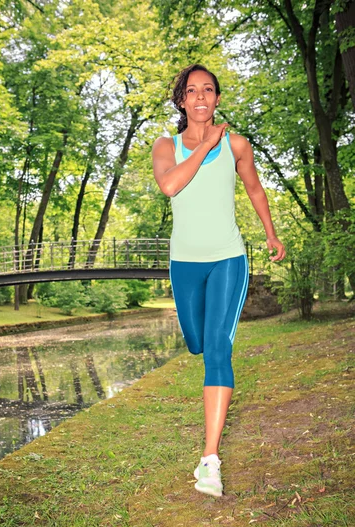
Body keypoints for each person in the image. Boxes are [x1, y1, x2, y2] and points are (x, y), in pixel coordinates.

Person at [151, 64, 286, 498]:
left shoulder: (237, 144)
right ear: (182, 101)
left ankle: (210, 461)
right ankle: (203, 345)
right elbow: (170, 186)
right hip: (184, 263)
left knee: (218, 350)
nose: (201, 96)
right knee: (197, 342)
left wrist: (269, 232)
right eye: (192, 91)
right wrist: (203, 146)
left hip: (228, 257)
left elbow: (255, 189)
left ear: (217, 98)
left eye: (209, 89)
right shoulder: (165, 146)